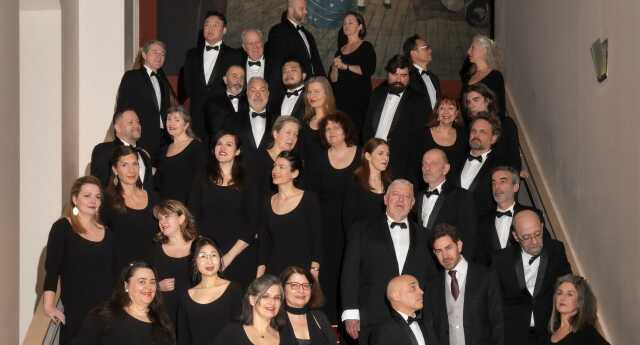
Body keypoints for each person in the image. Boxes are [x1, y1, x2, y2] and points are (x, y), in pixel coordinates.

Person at [341, 179, 436, 344]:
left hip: (414, 319)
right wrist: (350, 312)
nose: (401, 200)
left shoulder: (426, 236)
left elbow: (431, 278)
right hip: (371, 316)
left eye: (406, 196)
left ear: (413, 203)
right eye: (396, 195)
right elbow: (350, 272)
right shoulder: (361, 229)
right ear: (385, 199)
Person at [42, 176, 114, 345]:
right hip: (77, 313)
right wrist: (48, 305)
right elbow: (52, 270)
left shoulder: (109, 234)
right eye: (87, 195)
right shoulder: (62, 228)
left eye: (98, 197)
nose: (93, 200)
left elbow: (115, 273)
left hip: (106, 313)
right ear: (75, 199)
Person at [492, 209, 572, 345]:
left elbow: (569, 287)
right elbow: (493, 302)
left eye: (537, 234)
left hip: (549, 332)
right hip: (513, 336)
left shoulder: (556, 250)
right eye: (526, 237)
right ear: (516, 237)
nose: (534, 242)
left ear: (542, 227)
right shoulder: (501, 260)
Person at [310, 112, 360, 322]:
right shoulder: (319, 158)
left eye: (336, 128)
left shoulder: (361, 154)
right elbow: (312, 195)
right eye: (327, 129)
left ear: (346, 130)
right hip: (326, 226)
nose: (331, 132)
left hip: (355, 225)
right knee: (329, 274)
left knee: (352, 272)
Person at [188, 131, 257, 287]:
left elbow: (252, 223)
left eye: (229, 144)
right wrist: (206, 254)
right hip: (207, 256)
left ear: (237, 151)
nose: (222, 148)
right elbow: (191, 216)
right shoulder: (201, 178)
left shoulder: (248, 180)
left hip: (239, 255)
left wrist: (227, 258)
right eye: (219, 144)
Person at [425, 224, 504, 345]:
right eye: (438, 251)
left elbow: (498, 322)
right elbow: (430, 329)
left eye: (448, 248)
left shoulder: (486, 276)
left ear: (459, 245)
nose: (445, 256)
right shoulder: (432, 286)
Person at [71, 261, 174, 345]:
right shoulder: (103, 316)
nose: (148, 287)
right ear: (126, 286)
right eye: (142, 281)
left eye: (152, 282)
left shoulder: (162, 324)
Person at [361, 54, 427, 184]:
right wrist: (368, 153)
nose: (399, 79)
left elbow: (418, 139)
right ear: (387, 74)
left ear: (409, 77)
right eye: (394, 74)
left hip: (400, 165)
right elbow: (367, 127)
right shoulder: (377, 94)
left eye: (403, 76)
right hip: (372, 160)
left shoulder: (418, 101)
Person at [257, 151, 323, 278]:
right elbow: (264, 240)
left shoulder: (309, 199)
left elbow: (317, 237)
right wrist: (260, 271)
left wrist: (315, 270)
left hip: (301, 270)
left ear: (294, 173)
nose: (275, 170)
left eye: (281, 167)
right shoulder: (267, 201)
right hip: (274, 269)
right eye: (274, 166)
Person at [181, 11, 242, 144]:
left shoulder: (234, 55)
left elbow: (238, 84)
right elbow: (188, 85)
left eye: (215, 25)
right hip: (196, 116)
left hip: (223, 116)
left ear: (224, 30)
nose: (210, 28)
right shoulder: (192, 54)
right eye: (207, 25)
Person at [101, 146, 160, 273]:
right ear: (115, 170)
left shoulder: (154, 198)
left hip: (151, 272)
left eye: (135, 164)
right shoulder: (107, 200)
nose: (131, 170)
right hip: (121, 273)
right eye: (124, 165)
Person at [177, 237, 243, 345]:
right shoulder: (185, 296)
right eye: (203, 256)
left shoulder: (233, 290)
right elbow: (183, 339)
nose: (209, 261)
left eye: (213, 255)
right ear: (195, 261)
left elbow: (241, 332)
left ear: (220, 258)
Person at [116, 40, 175, 161]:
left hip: (163, 139)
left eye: (162, 54)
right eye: (155, 52)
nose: (159, 56)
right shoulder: (132, 76)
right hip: (141, 137)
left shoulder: (163, 81)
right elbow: (123, 108)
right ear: (144, 55)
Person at [478, 166, 549, 265]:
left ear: (515, 187)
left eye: (502, 181)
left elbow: (545, 248)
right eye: (493, 183)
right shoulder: (482, 220)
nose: (497, 187)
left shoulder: (532, 215)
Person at [412, 149, 477, 257]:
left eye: (433, 163)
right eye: (424, 164)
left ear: (445, 169)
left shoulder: (462, 197)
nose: (427, 168)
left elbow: (470, 238)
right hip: (421, 262)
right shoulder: (416, 197)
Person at [147, 199, 197, 325]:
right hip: (164, 318)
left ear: (181, 219)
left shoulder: (199, 246)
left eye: (166, 216)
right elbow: (141, 281)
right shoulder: (155, 249)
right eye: (160, 219)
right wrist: (158, 286)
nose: (162, 222)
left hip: (193, 314)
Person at [266, 0, 325, 98]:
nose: (306, 12)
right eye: (302, 8)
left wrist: (325, 85)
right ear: (290, 9)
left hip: (314, 91)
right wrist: (279, 97)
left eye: (306, 9)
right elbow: (276, 66)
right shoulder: (278, 31)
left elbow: (316, 63)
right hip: (294, 93)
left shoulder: (308, 35)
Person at [329, 11, 376, 131]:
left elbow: (368, 69)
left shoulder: (366, 46)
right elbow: (333, 79)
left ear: (360, 27)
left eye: (350, 22)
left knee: (358, 134)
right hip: (341, 100)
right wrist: (335, 67)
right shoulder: (340, 50)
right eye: (344, 23)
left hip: (359, 100)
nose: (346, 25)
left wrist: (346, 66)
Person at [451, 113, 502, 219]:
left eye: (482, 132)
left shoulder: (499, 167)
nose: (476, 135)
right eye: (473, 131)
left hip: (480, 228)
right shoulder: (455, 159)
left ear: (493, 138)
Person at [154, 106, 208, 204]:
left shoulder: (196, 147)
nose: (171, 123)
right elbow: (158, 183)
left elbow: (201, 182)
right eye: (169, 119)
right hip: (166, 208)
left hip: (187, 207)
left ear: (186, 125)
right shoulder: (163, 151)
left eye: (177, 120)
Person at [90, 108, 154, 190]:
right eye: (130, 122)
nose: (137, 126)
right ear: (117, 128)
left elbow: (149, 188)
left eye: (138, 122)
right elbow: (98, 187)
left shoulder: (144, 154)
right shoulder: (104, 150)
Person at [463, 83, 521, 171]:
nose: (471, 105)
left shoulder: (505, 123)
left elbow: (514, 156)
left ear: (487, 100)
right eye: (469, 102)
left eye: (476, 100)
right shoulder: (468, 129)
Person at [213, 275, 285, 345]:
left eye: (276, 298)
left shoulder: (285, 336)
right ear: (252, 300)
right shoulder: (232, 332)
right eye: (265, 296)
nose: (272, 302)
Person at [369, 275, 439, 345]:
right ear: (396, 296)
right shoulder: (383, 330)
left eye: (419, 287)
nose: (421, 292)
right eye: (413, 288)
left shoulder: (427, 326)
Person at [279, 266, 337, 345]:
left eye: (306, 285)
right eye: (294, 285)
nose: (301, 290)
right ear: (283, 288)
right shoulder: (274, 319)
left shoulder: (319, 317)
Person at [547, 275, 610, 345]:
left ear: (580, 302)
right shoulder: (549, 332)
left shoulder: (586, 332)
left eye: (570, 294)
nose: (562, 298)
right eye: (559, 293)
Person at [343, 138, 390, 229]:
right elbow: (348, 220)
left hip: (384, 240)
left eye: (388, 154)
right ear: (368, 156)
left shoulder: (389, 184)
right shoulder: (354, 183)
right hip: (361, 240)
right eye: (380, 153)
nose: (386, 158)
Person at [225, 77, 276, 157]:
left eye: (262, 90)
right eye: (253, 90)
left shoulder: (278, 122)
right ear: (247, 93)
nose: (258, 94)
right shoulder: (232, 119)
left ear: (268, 93)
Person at [300, 76, 337, 185]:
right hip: (307, 179)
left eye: (316, 91)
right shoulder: (305, 122)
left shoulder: (336, 122)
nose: (312, 96)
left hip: (329, 179)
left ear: (326, 94)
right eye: (309, 92)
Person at [463, 34, 505, 119]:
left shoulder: (495, 76)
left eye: (472, 47)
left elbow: (499, 108)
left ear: (484, 50)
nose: (468, 51)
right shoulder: (469, 76)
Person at [204, 65, 247, 145]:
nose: (238, 80)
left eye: (242, 78)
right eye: (234, 76)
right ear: (225, 80)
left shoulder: (249, 101)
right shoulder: (213, 102)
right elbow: (216, 131)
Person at [422, 98, 467, 176]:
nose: (446, 112)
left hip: (454, 185)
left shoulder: (464, 135)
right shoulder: (423, 134)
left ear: (456, 113)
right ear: (437, 112)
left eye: (451, 108)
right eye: (442, 108)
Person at [404, 34, 440, 112]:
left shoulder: (434, 78)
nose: (430, 50)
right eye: (426, 48)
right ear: (413, 53)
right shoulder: (407, 78)